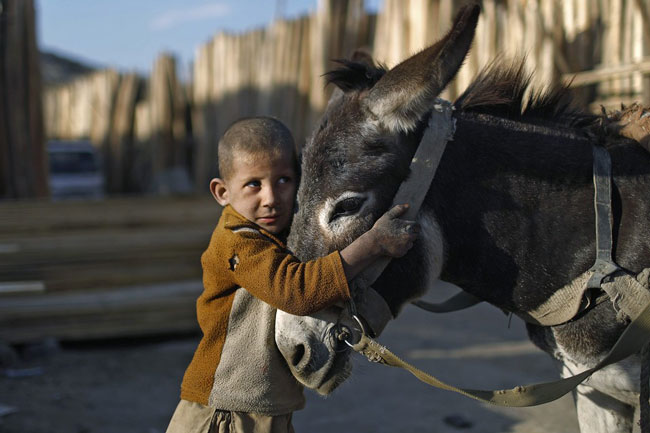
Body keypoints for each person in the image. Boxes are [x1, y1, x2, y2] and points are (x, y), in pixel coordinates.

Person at [166, 116, 418, 433]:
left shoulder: (280, 235)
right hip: (225, 410)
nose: (271, 198)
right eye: (253, 184)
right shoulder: (237, 242)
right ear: (222, 192)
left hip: (267, 407)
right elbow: (295, 292)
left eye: (283, 180)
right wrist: (372, 244)